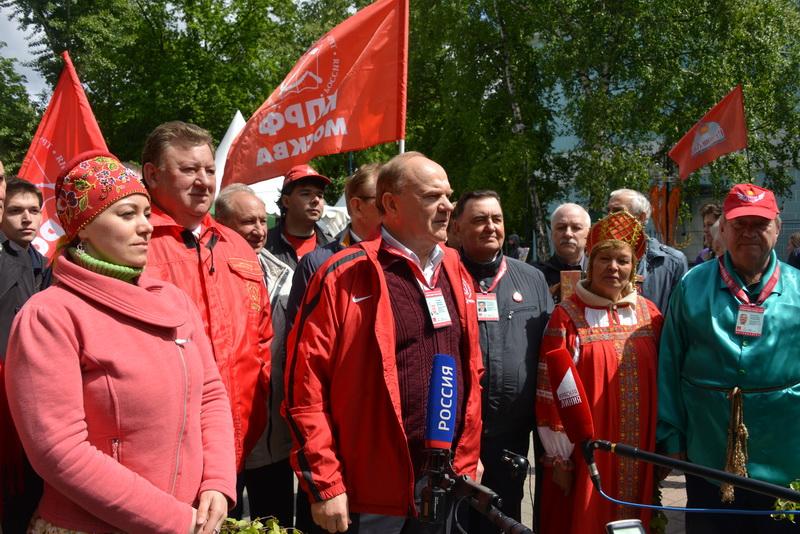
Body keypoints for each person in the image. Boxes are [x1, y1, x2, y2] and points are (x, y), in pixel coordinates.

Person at [4, 152, 236, 533]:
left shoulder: (174, 301)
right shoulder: (48, 316)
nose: (146, 227)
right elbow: (59, 451)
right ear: (83, 228)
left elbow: (210, 395)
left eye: (145, 213)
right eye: (127, 215)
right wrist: (174, 519)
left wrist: (218, 481)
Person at [284, 151, 483, 534]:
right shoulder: (342, 275)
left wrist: (469, 454)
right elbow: (304, 389)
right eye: (432, 196)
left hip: (443, 481)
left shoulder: (455, 267)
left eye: (448, 196)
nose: (447, 207)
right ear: (390, 204)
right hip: (370, 491)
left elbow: (472, 369)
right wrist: (325, 483)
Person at [657, 184, 800, 533]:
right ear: (723, 229)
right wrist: (672, 438)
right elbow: (670, 361)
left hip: (785, 452)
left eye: (759, 224)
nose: (749, 232)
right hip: (708, 451)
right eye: (740, 224)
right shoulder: (692, 285)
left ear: (777, 228)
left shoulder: (798, 287)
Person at [140, 121, 272, 497]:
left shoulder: (236, 245)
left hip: (237, 443)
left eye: (209, 170)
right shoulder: (134, 245)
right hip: (163, 458)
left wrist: (255, 405)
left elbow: (262, 335)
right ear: (152, 174)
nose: (203, 181)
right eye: (188, 169)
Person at [536, 210, 662, 534]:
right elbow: (552, 388)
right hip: (586, 452)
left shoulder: (650, 315)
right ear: (590, 264)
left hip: (641, 448)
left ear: (634, 267)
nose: (613, 267)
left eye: (623, 260)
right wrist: (560, 457)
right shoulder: (567, 316)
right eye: (604, 259)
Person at [452, 190, 552, 532]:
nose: (490, 227)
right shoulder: (443, 276)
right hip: (457, 434)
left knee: (504, 520)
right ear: (457, 227)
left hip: (511, 435)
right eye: (479, 220)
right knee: (456, 520)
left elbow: (548, 352)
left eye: (496, 219)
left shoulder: (532, 278)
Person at [214, 183, 295, 526]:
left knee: (274, 523)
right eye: (248, 221)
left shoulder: (284, 275)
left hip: (272, 436)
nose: (259, 230)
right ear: (221, 224)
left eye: (263, 220)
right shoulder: (204, 273)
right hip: (220, 438)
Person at [0, 177, 51, 531]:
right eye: (16, 210)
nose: (27, 218)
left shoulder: (45, 264)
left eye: (34, 210)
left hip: (34, 389)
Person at [286, 162, 382, 330]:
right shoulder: (317, 263)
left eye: (320, 194)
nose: (315, 200)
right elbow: (302, 337)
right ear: (357, 206)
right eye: (382, 199)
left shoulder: (409, 256)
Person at [607, 188, 688, 312]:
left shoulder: (673, 262)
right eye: (608, 211)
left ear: (640, 217)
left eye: (617, 211)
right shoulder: (599, 257)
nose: (610, 217)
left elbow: (679, 314)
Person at [265, 164, 335, 269]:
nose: (316, 200)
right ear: (286, 201)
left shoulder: (334, 248)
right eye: (306, 194)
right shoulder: (263, 246)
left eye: (320, 195)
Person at [533, 203, 591, 304]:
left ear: (589, 234)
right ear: (552, 234)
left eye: (576, 227)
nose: (568, 234)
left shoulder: (599, 274)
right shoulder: (534, 275)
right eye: (561, 227)